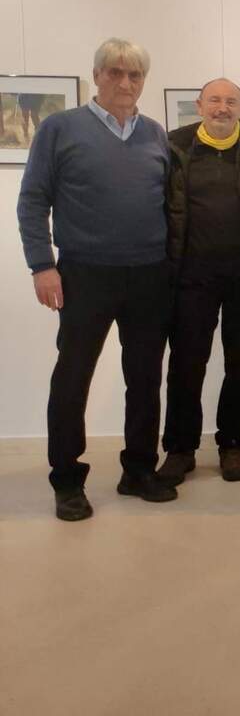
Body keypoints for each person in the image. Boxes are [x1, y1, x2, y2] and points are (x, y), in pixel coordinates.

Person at [17, 38, 175, 520]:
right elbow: (32, 200)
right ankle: (67, 480)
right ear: (97, 76)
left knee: (145, 377)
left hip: (149, 273)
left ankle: (139, 469)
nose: (125, 83)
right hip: (84, 274)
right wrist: (42, 265)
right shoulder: (60, 128)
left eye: (135, 75)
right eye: (115, 72)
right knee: (73, 377)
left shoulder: (154, 134)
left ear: (143, 81)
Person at [158, 79, 240, 485]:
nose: (222, 108)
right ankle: (180, 449)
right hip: (190, 278)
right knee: (186, 364)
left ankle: (233, 445)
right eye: (214, 100)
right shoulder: (173, 148)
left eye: (231, 101)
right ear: (199, 105)